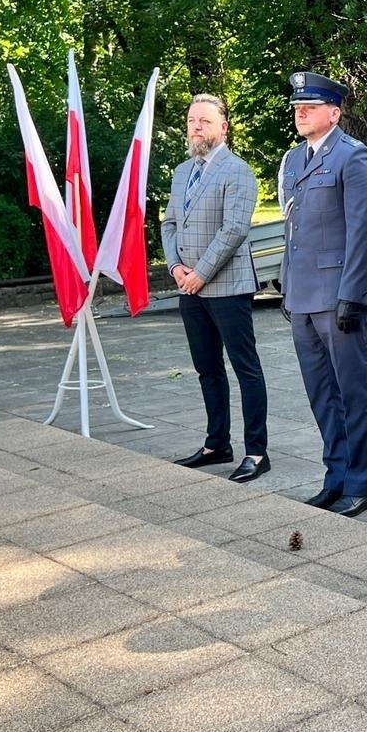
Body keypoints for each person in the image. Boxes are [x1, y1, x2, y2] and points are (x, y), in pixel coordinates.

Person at [279, 72, 367, 517]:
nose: (301, 112)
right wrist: (286, 288)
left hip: (338, 298)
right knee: (322, 394)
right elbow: (292, 231)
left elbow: (363, 232)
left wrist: (354, 295)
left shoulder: (352, 158)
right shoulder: (294, 159)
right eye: (298, 107)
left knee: (354, 393)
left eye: (311, 106)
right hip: (302, 298)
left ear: (334, 113)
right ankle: (335, 475)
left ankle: (361, 483)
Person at [163, 94, 271, 483]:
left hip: (226, 286)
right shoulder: (181, 172)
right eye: (192, 120)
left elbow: (234, 230)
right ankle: (216, 444)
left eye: (205, 121)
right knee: (207, 369)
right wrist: (176, 266)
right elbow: (170, 224)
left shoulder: (237, 171)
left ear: (223, 127)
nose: (196, 127)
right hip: (188, 287)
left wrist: (201, 273)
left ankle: (257, 453)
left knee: (246, 369)